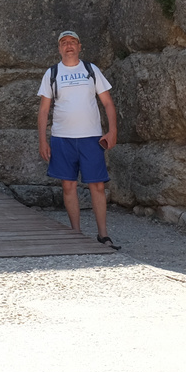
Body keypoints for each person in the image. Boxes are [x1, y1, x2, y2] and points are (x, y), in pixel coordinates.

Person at [37, 30, 120, 249]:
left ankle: (103, 235)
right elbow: (44, 110)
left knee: (98, 186)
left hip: (91, 137)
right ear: (59, 48)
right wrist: (43, 141)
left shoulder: (91, 70)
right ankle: (76, 234)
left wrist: (112, 131)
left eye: (73, 41)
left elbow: (108, 103)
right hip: (62, 138)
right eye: (64, 42)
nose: (69, 45)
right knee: (68, 186)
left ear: (80, 46)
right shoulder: (52, 73)